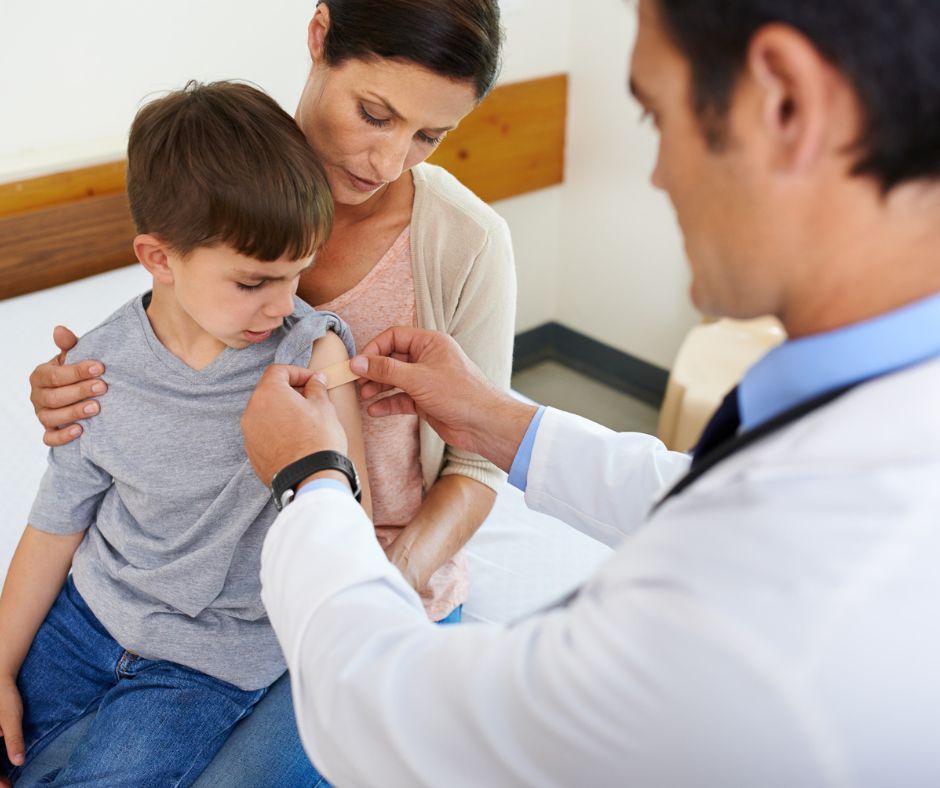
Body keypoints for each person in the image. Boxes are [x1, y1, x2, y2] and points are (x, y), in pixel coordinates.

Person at [240, 0, 940, 784]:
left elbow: (386, 711)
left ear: (783, 103)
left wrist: (313, 482)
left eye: (655, 115)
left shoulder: (781, 616)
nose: (658, 174)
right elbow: (688, 490)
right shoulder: (875, 421)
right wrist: (497, 418)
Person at [22, 0, 512, 783]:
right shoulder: (224, 175)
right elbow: (161, 350)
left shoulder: (467, 242)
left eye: (428, 136)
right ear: (320, 37)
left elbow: (479, 464)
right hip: (185, 587)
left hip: (363, 576)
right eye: (375, 114)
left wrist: (378, 587)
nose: (389, 160)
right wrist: (71, 391)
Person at [0, 80, 369, 786]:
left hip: (209, 663)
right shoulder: (93, 371)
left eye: (296, 273)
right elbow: (55, 524)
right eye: (253, 281)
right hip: (85, 621)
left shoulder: (311, 357)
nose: (284, 303)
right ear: (160, 258)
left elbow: (348, 524)